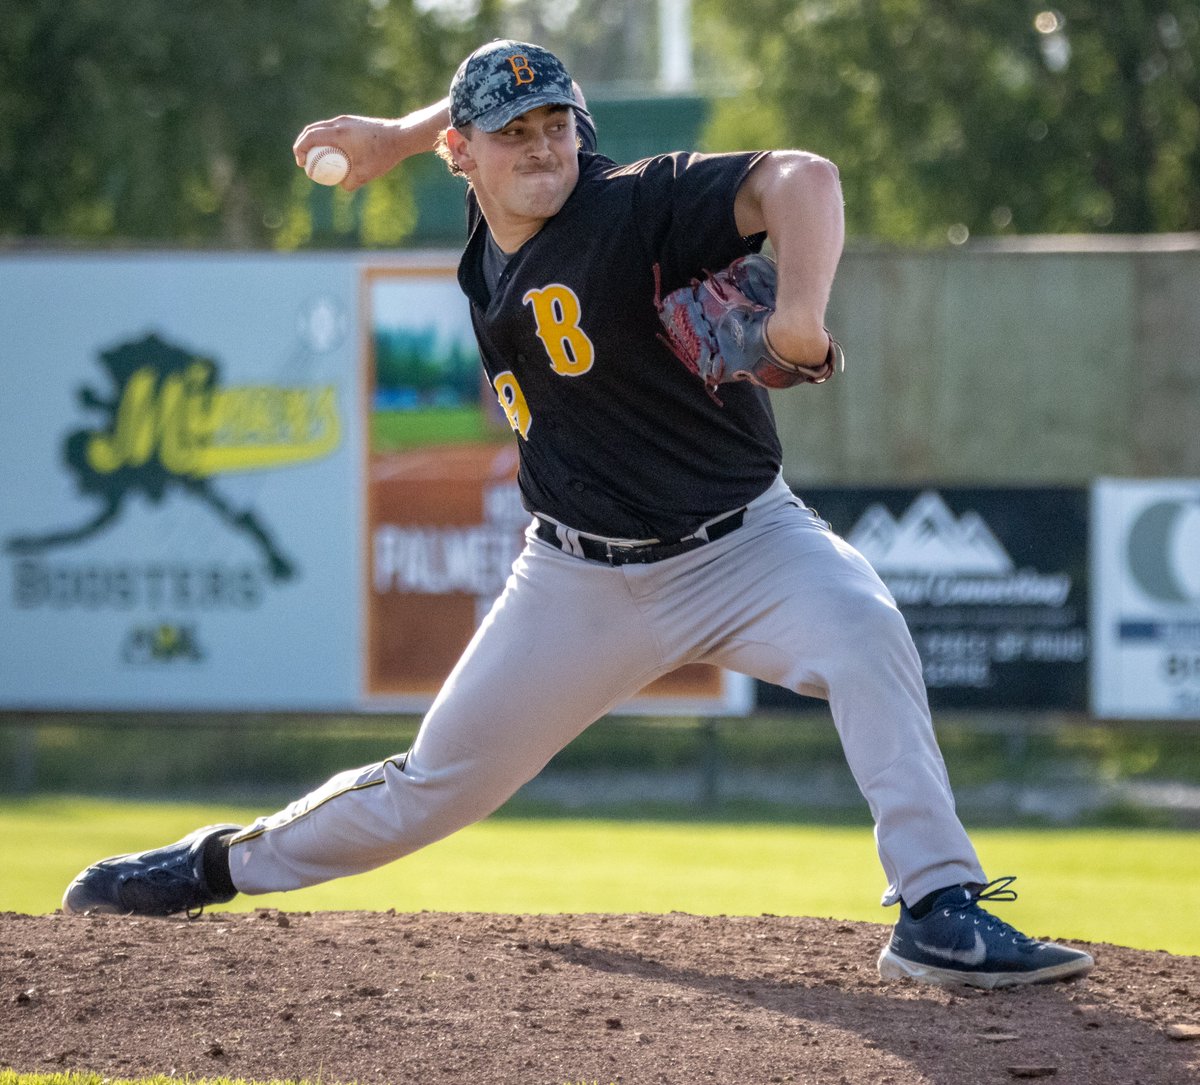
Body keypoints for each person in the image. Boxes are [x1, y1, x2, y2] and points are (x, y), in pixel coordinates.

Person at [63, 39, 1093, 990]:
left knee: (867, 630)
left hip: (746, 545)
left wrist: (799, 312)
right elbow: (469, 120)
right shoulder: (494, 212)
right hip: (575, 581)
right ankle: (211, 863)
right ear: (463, 157)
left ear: (581, 129)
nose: (543, 144)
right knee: (433, 785)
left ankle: (937, 907)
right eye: (514, 132)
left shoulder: (632, 206)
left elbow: (806, 179)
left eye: (557, 122)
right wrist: (396, 136)